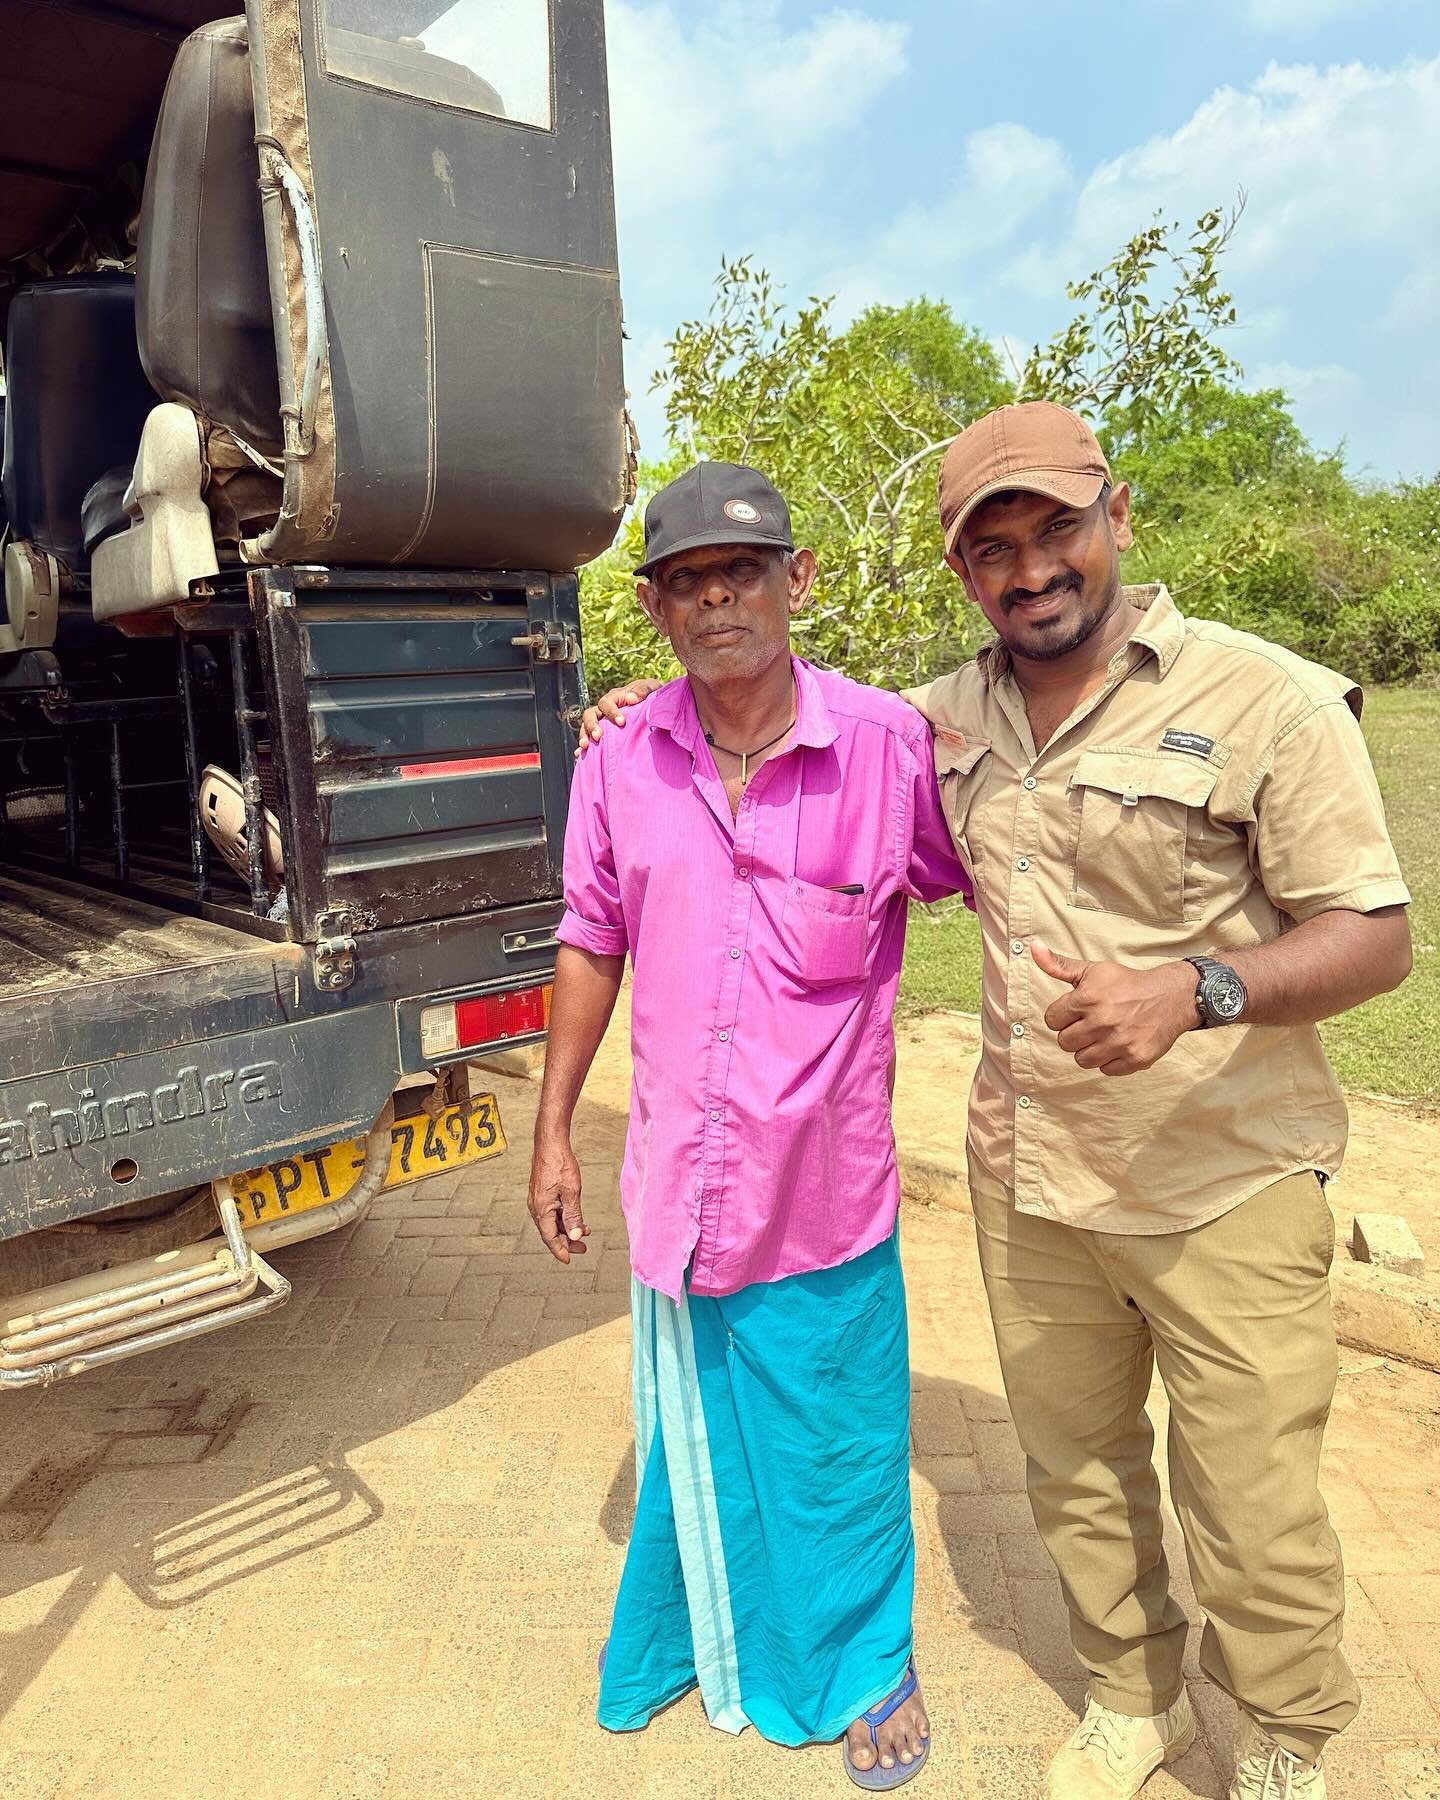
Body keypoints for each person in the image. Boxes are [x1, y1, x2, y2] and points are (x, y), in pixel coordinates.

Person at [578, 404, 1413, 1800]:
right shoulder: (937, 724)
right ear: (966, 573)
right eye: (993, 549)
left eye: (1054, 533)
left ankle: (1280, 1742)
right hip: (1035, 1179)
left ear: (1118, 519)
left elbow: (1379, 937)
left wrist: (1197, 987)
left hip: (1225, 1179)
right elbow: (771, 747)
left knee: (1255, 1512)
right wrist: (637, 714)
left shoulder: (1261, 695)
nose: (1030, 571)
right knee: (1079, 1480)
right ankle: (1132, 1704)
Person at [528, 461, 971, 1789]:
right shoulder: (620, 761)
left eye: (741, 574)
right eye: (686, 584)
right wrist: (552, 1129)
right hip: (680, 1176)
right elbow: (589, 939)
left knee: (836, 1444)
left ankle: (867, 1669)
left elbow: (986, 870)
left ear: (799, 582)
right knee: (699, 1434)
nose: (716, 602)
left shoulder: (890, 747)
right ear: (658, 611)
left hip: (824, 1189)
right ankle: (692, 1640)